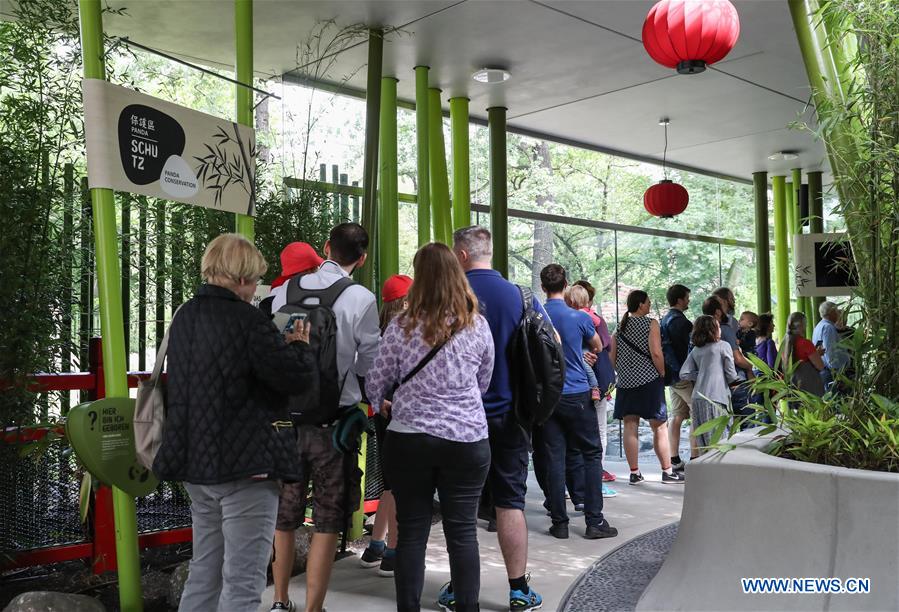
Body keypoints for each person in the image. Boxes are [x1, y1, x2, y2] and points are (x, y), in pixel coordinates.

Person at [153, 233, 316, 612]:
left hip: (197, 466)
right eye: (256, 278)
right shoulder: (249, 321)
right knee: (242, 583)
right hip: (247, 472)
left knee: (205, 570)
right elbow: (293, 380)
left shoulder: (185, 315)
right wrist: (299, 346)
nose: (256, 286)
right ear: (242, 277)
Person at [367, 242, 495, 612]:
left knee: (411, 533)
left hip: (409, 440)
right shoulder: (478, 325)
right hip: (467, 440)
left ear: (418, 278)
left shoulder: (401, 326)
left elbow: (376, 382)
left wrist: (385, 404)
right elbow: (484, 381)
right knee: (462, 533)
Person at [269, 223, 380, 612]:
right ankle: (314, 608)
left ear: (326, 247)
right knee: (328, 519)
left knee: (285, 516)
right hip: (333, 425)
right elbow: (369, 363)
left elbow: (277, 347)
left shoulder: (284, 291)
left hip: (286, 423)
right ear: (362, 259)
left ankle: (281, 601)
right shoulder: (362, 298)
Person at [452, 226, 545, 611]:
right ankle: (519, 589)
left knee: (460, 509)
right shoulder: (523, 296)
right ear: (489, 252)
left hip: (458, 419)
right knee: (511, 502)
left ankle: (461, 590)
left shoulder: (451, 297)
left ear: (461, 255)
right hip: (509, 415)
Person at [539, 264, 618, 540]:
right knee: (591, 453)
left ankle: (559, 522)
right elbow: (598, 346)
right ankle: (594, 521)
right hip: (577, 393)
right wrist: (583, 352)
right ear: (566, 285)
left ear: (542, 287)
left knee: (554, 457)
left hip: (548, 396)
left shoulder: (535, 317)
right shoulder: (578, 318)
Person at [359, 274, 412, 577]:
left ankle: (376, 545)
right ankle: (393, 551)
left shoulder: (377, 333)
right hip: (399, 413)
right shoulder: (404, 333)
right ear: (406, 301)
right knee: (399, 485)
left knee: (390, 482)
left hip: (381, 411)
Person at [611, 290, 685, 485]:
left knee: (630, 425)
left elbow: (612, 358)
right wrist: (661, 373)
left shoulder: (620, 327)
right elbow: (656, 353)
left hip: (626, 383)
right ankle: (667, 471)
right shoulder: (650, 323)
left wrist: (625, 372)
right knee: (659, 426)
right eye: (648, 302)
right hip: (649, 381)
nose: (650, 305)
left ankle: (634, 473)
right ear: (641, 304)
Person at [564, 284, 617, 499]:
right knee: (599, 432)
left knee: (573, 437)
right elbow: (603, 345)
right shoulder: (594, 320)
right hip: (592, 383)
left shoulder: (566, 320)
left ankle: (575, 485)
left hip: (572, 386)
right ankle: (594, 482)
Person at [679, 315, 740, 451]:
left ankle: (706, 469)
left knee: (704, 442)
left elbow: (683, 373)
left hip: (698, 398)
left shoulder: (696, 350)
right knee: (720, 441)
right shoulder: (723, 346)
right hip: (717, 398)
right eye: (718, 327)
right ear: (713, 329)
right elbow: (731, 375)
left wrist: (701, 375)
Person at [660, 284, 696, 471]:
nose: (689, 300)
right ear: (680, 299)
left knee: (678, 415)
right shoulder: (682, 322)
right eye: (687, 297)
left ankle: (674, 458)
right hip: (684, 375)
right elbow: (688, 350)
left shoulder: (664, 319)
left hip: (671, 376)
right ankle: (695, 457)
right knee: (697, 412)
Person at [711, 288, 754, 427]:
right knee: (745, 419)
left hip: (715, 382)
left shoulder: (702, 327)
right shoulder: (728, 326)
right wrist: (749, 367)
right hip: (735, 376)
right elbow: (737, 357)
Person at [259, 242, 324, 317]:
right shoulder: (314, 293)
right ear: (307, 271)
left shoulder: (272, 298)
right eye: (315, 267)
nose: (317, 271)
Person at [781, 311, 826, 397]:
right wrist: (817, 354)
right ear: (802, 325)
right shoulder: (805, 343)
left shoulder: (784, 344)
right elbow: (820, 366)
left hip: (793, 385)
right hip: (809, 386)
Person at [812, 301, 849, 392]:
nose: (838, 314)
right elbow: (830, 352)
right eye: (836, 311)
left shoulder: (819, 326)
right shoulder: (828, 327)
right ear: (831, 312)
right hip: (831, 373)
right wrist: (836, 372)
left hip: (824, 371)